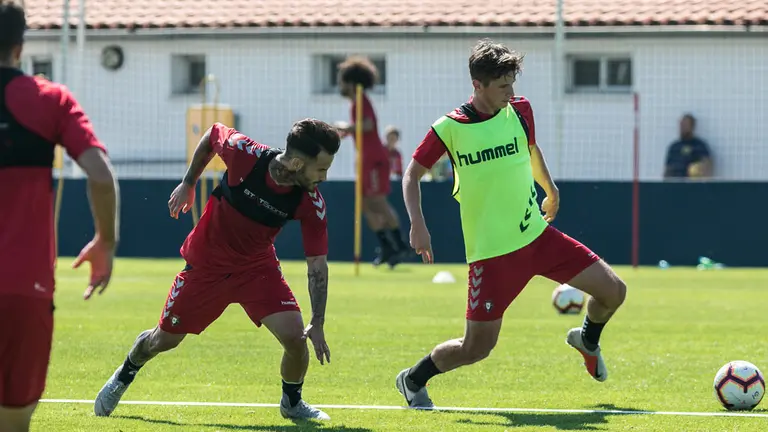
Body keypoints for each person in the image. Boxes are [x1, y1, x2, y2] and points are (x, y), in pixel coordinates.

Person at [395, 39, 627, 408]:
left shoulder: (519, 110)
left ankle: (587, 340)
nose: (511, 92)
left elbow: (531, 150)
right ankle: (413, 378)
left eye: (512, 83)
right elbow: (412, 175)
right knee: (477, 348)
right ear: (478, 85)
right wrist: (417, 224)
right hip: (492, 254)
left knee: (614, 291)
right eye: (503, 85)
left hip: (538, 236)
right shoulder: (449, 128)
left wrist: (549, 189)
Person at [93, 119, 339, 421]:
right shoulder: (246, 155)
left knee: (295, 339)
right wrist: (189, 182)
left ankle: (292, 402)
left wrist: (317, 319)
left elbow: (317, 264)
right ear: (298, 163)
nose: (325, 177)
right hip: (207, 266)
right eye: (321, 169)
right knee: (164, 340)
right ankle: (125, 372)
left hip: (256, 268)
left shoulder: (310, 202)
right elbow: (212, 134)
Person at [0, 3, 120, 431]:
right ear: (20, 45)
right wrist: (105, 241)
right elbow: (101, 176)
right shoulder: (48, 100)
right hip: (23, 292)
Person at [334, 56, 409, 268]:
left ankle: (400, 244)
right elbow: (361, 128)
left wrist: (347, 128)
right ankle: (387, 246)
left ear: (351, 82)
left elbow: (366, 125)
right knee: (366, 206)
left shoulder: (361, 100)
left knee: (378, 201)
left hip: (374, 158)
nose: (340, 86)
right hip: (366, 159)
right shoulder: (355, 103)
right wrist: (346, 132)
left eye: (342, 81)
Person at [663, 113, 713, 179]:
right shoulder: (674, 147)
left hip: (692, 184)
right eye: (681, 125)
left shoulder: (700, 146)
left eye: (685, 125)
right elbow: (667, 169)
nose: (682, 128)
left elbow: (707, 165)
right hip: (675, 183)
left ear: (692, 126)